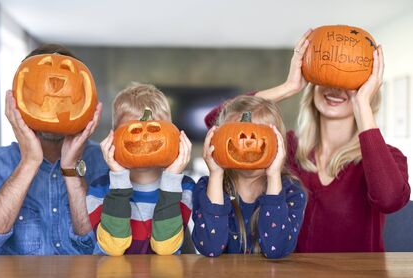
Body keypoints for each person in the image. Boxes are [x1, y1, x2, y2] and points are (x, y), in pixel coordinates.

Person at [205, 30, 410, 252]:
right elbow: (218, 124)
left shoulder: (386, 157)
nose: (335, 88)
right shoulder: (285, 148)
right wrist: (288, 87)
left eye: (348, 81)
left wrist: (362, 104)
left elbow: (390, 200)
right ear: (313, 87)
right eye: (326, 77)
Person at [0, 44, 109, 255]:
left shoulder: (106, 162)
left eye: (68, 75)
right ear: (14, 101)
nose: (55, 84)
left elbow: (104, 249)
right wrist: (29, 162)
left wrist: (71, 170)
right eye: (39, 81)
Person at [193, 95, 306, 258]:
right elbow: (211, 248)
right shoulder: (208, 187)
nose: (247, 147)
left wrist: (274, 176)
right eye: (239, 135)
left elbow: (276, 250)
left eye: (257, 136)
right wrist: (216, 175)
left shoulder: (291, 192)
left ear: (278, 144)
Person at [91, 83, 195, 255]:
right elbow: (113, 248)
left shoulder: (183, 187)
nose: (144, 138)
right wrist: (119, 179)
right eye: (134, 129)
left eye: (154, 129)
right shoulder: (99, 189)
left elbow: (165, 248)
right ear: (113, 137)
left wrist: (171, 178)